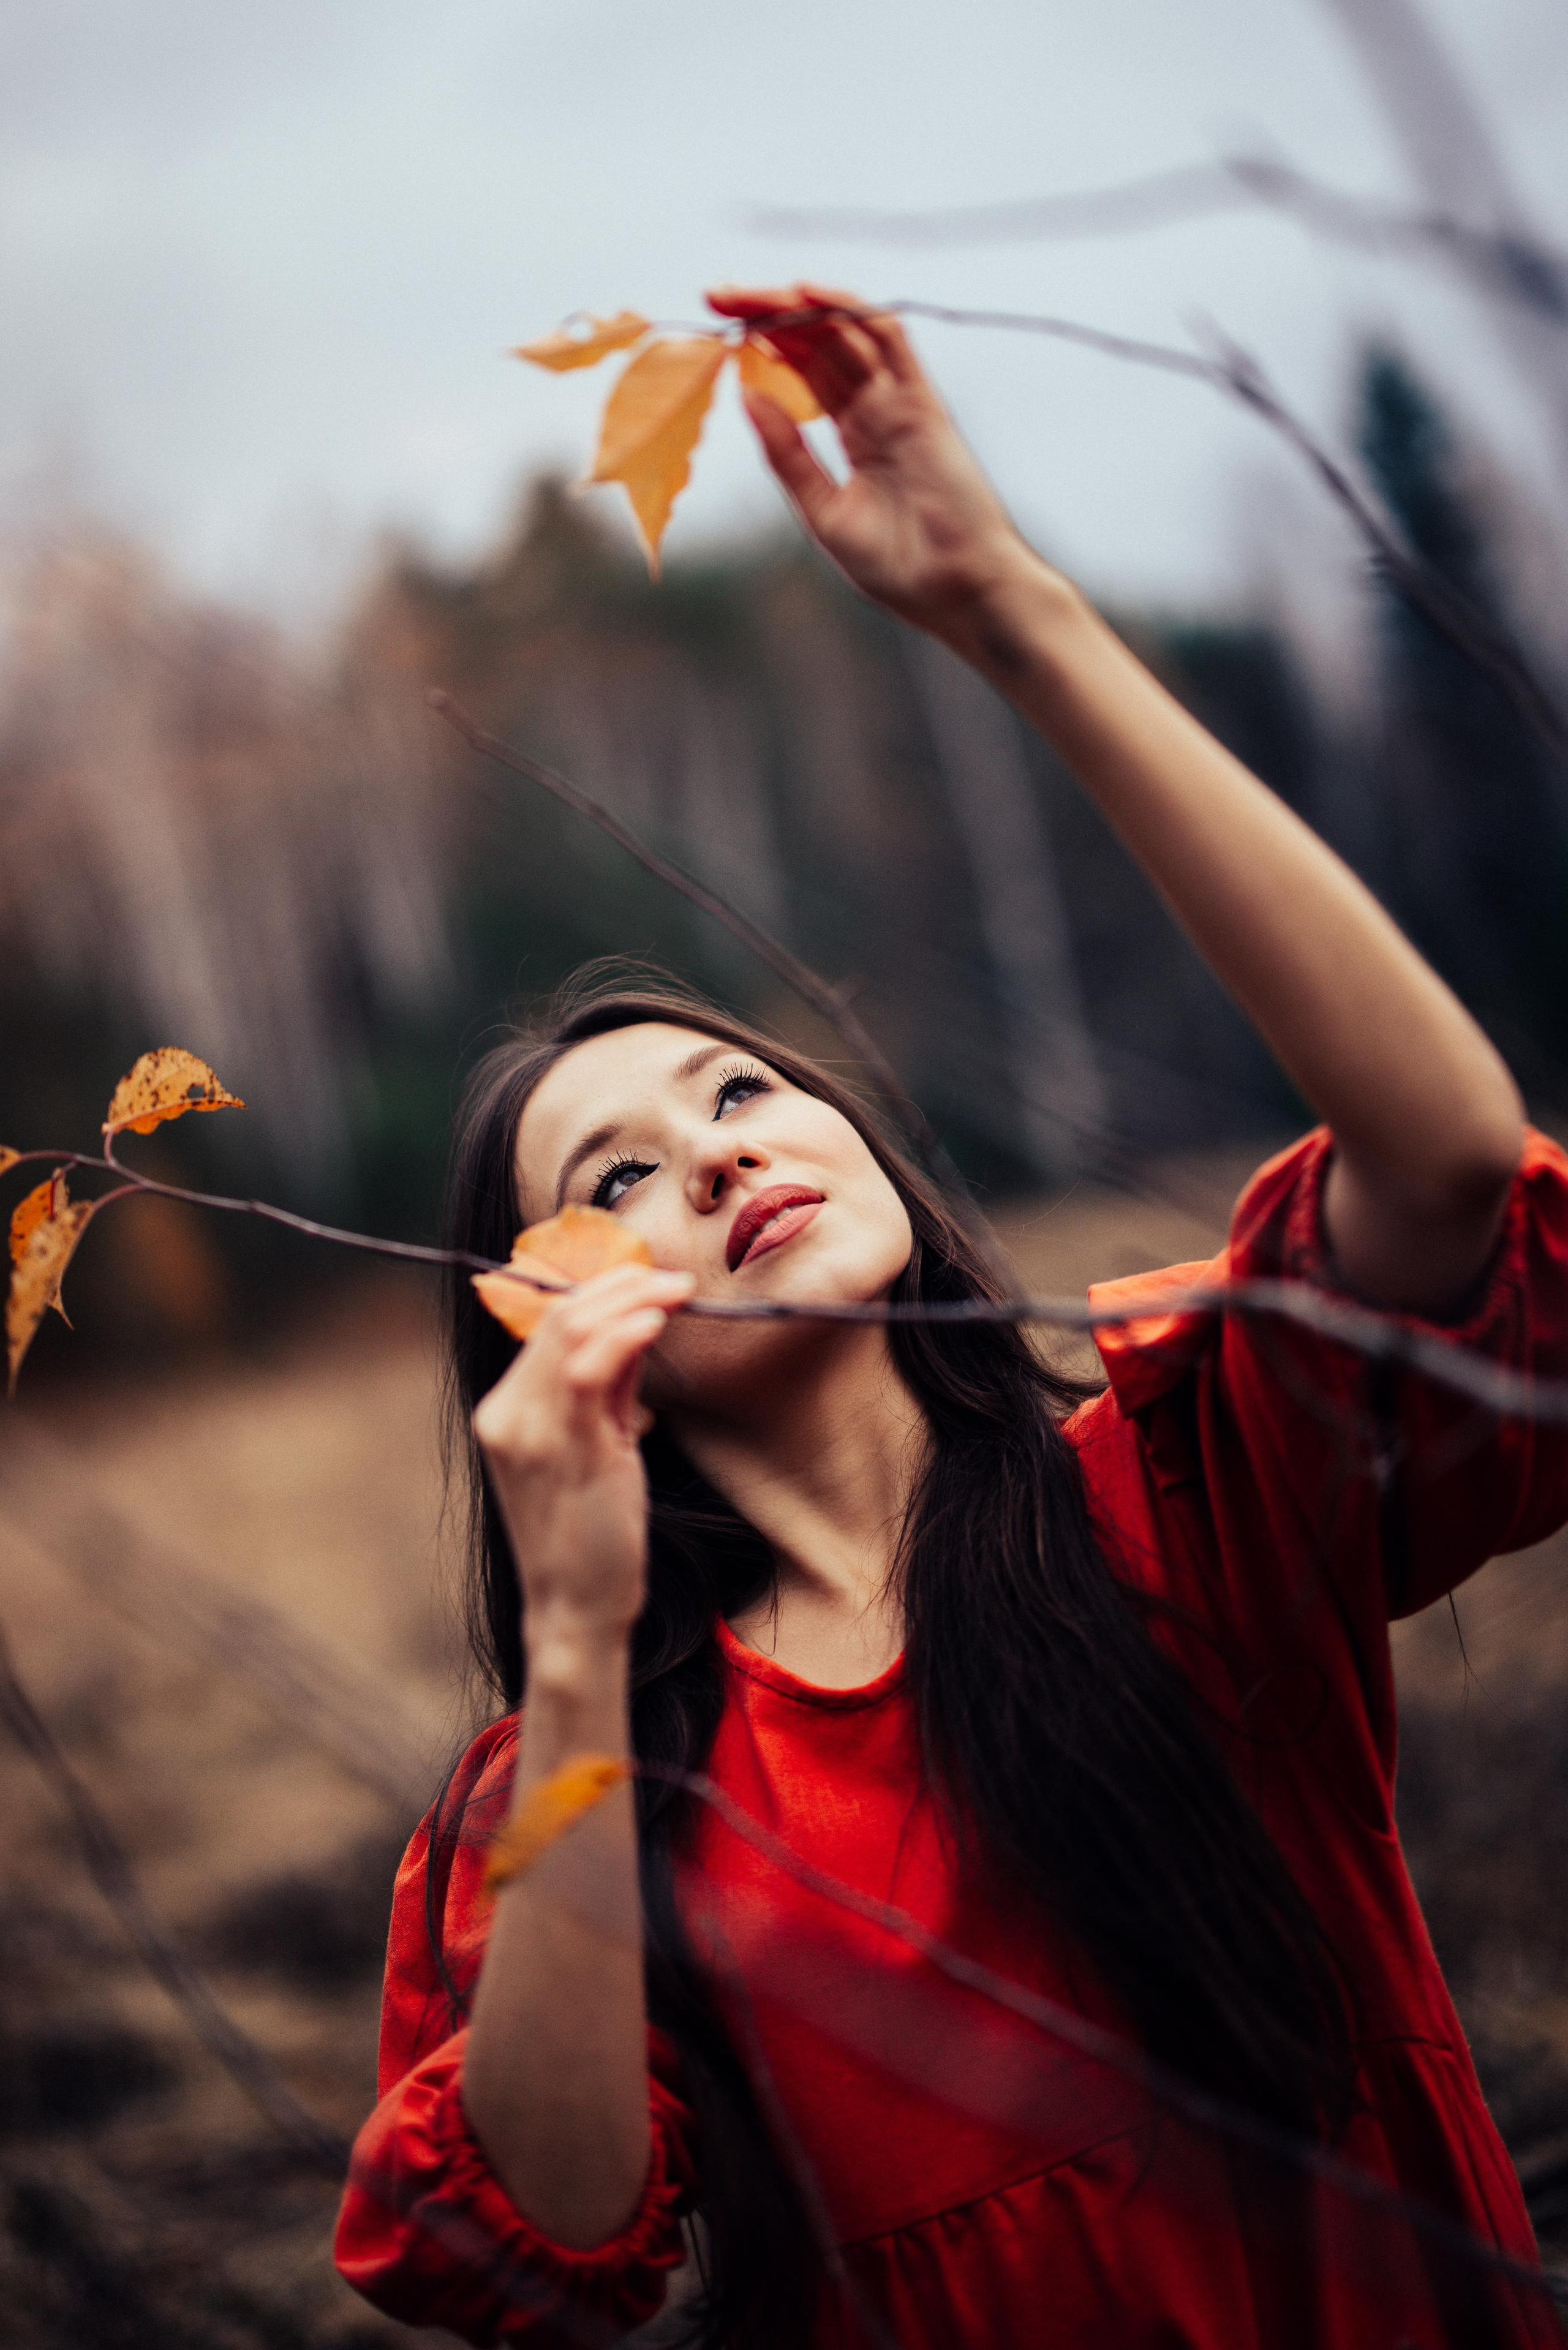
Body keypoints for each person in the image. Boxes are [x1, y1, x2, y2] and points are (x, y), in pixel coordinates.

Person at [333, 285, 1568, 2347]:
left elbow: (1447, 1163)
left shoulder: (1183, 1485)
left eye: (739, 1088)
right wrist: (569, 1640)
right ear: (549, 1340)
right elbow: (540, 2249)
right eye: (617, 1179)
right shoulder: (589, 1785)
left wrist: (1007, 611)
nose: (720, 1156)